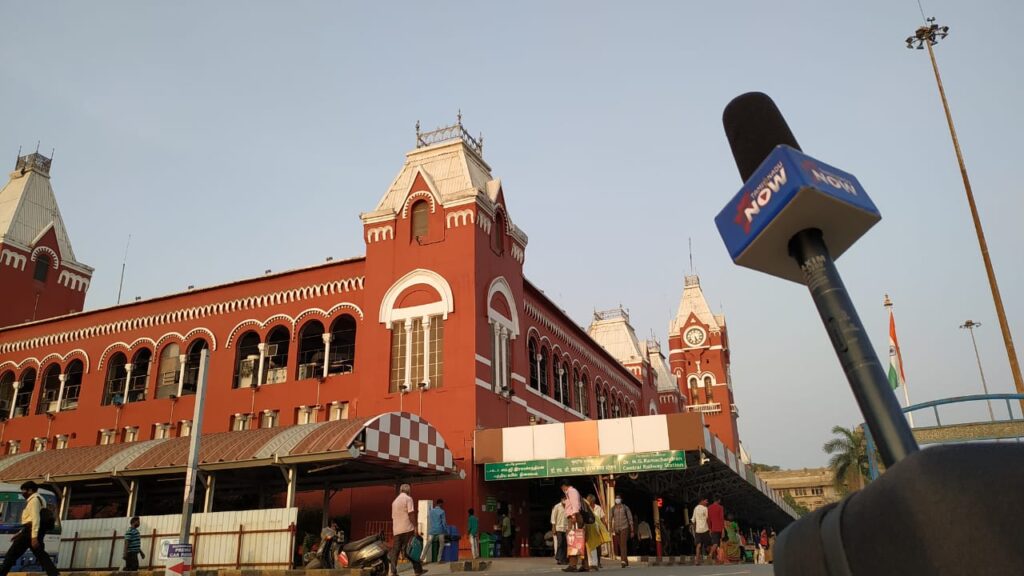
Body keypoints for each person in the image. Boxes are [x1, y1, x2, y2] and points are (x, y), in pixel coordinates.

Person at [0, 481, 59, 576]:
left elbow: (35, 519)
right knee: (41, 555)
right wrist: (20, 532)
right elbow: (32, 520)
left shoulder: (34, 500)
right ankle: (54, 573)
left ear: (30, 490)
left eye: (24, 490)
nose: (23, 493)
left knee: (11, 555)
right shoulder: (40, 499)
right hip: (33, 531)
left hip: (30, 532)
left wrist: (34, 537)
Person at [387, 484, 426, 576]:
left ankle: (393, 571)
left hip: (396, 530)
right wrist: (415, 526)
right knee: (410, 550)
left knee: (395, 551)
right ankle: (418, 570)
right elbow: (411, 513)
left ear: (400, 491)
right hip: (407, 528)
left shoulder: (394, 502)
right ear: (408, 491)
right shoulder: (408, 499)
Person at [560, 480, 587, 573]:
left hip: (574, 517)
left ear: (563, 486)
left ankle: (573, 565)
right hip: (573, 517)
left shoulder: (571, 491)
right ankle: (585, 564)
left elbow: (575, 505)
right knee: (579, 540)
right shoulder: (571, 492)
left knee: (573, 541)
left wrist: (574, 516)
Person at [608, 496, 634, 567]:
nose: (617, 500)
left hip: (624, 527)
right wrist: (610, 528)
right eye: (616, 498)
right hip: (616, 529)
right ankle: (626, 561)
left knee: (623, 544)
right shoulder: (613, 509)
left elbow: (630, 518)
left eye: (618, 498)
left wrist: (632, 530)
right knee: (620, 545)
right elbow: (610, 518)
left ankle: (623, 561)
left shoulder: (625, 508)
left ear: (621, 500)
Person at [690, 497, 710, 566]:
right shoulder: (705, 508)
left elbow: (693, 520)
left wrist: (695, 530)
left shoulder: (695, 508)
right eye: (706, 501)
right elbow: (707, 519)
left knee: (698, 546)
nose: (707, 502)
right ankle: (712, 559)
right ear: (702, 501)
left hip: (698, 531)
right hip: (705, 529)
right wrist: (710, 528)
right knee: (708, 545)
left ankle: (697, 561)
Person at [706, 496, 725, 564]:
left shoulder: (709, 508)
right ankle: (711, 554)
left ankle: (717, 559)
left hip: (713, 528)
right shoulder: (720, 507)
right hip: (719, 528)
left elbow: (708, 519)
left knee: (715, 543)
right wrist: (723, 529)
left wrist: (710, 528)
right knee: (718, 543)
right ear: (718, 500)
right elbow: (721, 518)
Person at [551, 496, 568, 565]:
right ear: (561, 499)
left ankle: (563, 559)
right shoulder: (557, 506)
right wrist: (553, 528)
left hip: (566, 528)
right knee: (560, 543)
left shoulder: (569, 506)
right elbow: (553, 518)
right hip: (558, 528)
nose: (565, 501)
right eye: (564, 499)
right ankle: (559, 558)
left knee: (565, 544)